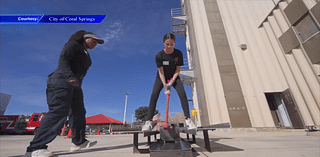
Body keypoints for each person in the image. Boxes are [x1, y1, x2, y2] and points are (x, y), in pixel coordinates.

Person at [24, 30, 104, 157]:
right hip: (62, 80)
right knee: (59, 111)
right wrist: (69, 76)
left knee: (79, 112)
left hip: (75, 85)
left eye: (97, 42)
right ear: (85, 38)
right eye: (93, 40)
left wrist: (77, 84)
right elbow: (63, 59)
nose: (95, 43)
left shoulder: (85, 53)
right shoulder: (73, 45)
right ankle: (35, 148)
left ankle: (78, 142)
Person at [142, 33, 196, 131]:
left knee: (182, 94)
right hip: (161, 78)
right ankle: (148, 121)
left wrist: (171, 82)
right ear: (164, 43)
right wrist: (165, 86)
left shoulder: (178, 54)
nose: (169, 46)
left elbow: (178, 70)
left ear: (174, 43)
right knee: (154, 94)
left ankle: (188, 120)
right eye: (167, 44)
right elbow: (161, 72)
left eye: (171, 44)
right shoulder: (159, 56)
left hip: (174, 77)